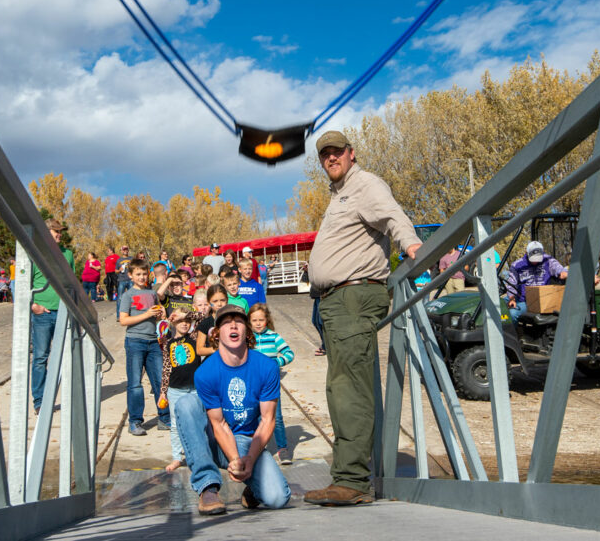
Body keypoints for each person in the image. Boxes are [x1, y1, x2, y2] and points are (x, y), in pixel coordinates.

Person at [304, 130, 421, 506]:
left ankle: (352, 480)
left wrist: (413, 245)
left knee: (350, 388)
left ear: (352, 154)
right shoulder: (339, 194)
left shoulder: (364, 184)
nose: (331, 159)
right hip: (337, 300)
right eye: (325, 155)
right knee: (341, 388)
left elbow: (392, 216)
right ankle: (348, 474)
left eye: (337, 152)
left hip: (353, 295)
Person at [173, 304, 291, 515]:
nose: (233, 325)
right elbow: (218, 424)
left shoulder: (267, 367)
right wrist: (235, 459)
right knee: (186, 404)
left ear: (247, 330)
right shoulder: (205, 372)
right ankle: (207, 487)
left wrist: (250, 459)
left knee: (278, 498)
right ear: (216, 333)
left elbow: (267, 420)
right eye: (226, 322)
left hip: (248, 441)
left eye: (238, 321)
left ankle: (253, 489)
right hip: (216, 440)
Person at [118, 258, 171, 435]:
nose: (141, 277)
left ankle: (164, 418)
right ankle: (135, 421)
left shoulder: (152, 293)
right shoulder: (127, 295)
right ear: (131, 275)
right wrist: (146, 314)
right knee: (135, 384)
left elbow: (156, 317)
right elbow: (123, 320)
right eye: (138, 274)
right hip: (135, 341)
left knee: (159, 382)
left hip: (153, 341)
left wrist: (161, 315)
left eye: (143, 274)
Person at [29, 218, 75, 414]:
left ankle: (63, 396)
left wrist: (73, 309)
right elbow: (23, 283)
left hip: (63, 312)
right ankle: (40, 401)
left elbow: (72, 284)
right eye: (55, 231)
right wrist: (33, 306)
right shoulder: (34, 252)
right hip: (42, 313)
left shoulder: (68, 254)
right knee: (40, 357)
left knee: (66, 357)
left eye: (60, 231)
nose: (59, 234)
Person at [158, 308, 204, 472]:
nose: (184, 324)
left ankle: (200, 454)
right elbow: (166, 368)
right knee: (176, 425)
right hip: (175, 389)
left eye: (187, 321)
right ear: (173, 323)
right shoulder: (167, 342)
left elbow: (203, 318)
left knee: (199, 422)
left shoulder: (194, 337)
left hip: (195, 388)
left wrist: (186, 315)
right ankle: (177, 457)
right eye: (180, 321)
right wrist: (163, 391)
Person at [249, 303, 294, 464]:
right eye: (254, 320)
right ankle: (258, 447)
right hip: (253, 384)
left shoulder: (274, 337)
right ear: (249, 321)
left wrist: (277, 362)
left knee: (277, 416)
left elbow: (289, 353)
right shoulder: (248, 339)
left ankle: (283, 448)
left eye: (261, 320)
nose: (258, 323)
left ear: (267, 320)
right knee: (256, 416)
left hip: (271, 384)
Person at [504, 240, 568, 320]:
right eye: (533, 258)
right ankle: (515, 331)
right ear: (527, 253)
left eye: (538, 258)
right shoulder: (517, 265)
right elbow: (511, 284)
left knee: (512, 313)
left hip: (545, 300)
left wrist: (563, 273)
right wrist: (512, 299)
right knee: (507, 311)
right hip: (527, 301)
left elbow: (559, 269)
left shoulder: (548, 260)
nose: (535, 261)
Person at [115, 245, 133, 320]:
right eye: (124, 249)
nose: (125, 251)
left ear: (128, 250)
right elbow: (115, 271)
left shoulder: (131, 258)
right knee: (120, 298)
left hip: (130, 280)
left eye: (126, 249)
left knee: (132, 297)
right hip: (121, 280)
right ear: (121, 251)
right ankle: (119, 316)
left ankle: (132, 314)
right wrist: (120, 270)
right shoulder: (119, 260)